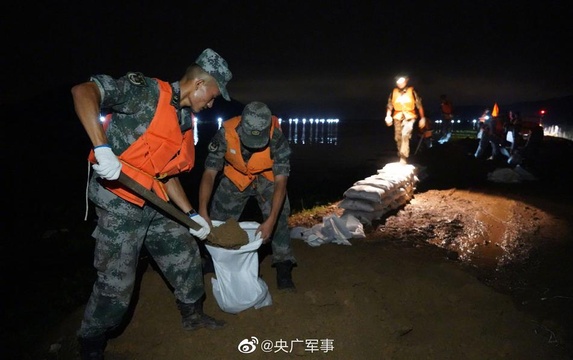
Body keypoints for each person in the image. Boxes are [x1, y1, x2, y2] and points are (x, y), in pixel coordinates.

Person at [71, 48, 232, 360]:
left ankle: (193, 316)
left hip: (154, 200)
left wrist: (190, 215)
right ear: (198, 84)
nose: (212, 104)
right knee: (116, 286)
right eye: (212, 96)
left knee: (185, 255)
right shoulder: (143, 92)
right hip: (118, 203)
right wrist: (101, 148)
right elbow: (83, 91)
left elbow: (167, 174)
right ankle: (91, 343)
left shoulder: (185, 120)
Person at [198, 101, 297, 292]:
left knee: (280, 217)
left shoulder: (277, 138)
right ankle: (212, 259)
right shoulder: (224, 133)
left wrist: (271, 220)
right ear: (241, 125)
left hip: (267, 178)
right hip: (237, 176)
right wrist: (202, 210)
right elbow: (210, 173)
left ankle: (284, 266)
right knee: (217, 218)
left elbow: (281, 182)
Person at [385, 76, 426, 164]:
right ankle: (401, 155)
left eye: (402, 81)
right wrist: (388, 116)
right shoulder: (394, 92)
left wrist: (422, 118)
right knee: (398, 137)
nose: (400, 83)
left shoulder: (412, 91)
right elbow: (389, 105)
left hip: (409, 116)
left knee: (405, 134)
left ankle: (403, 157)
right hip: (397, 116)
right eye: (398, 81)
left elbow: (419, 105)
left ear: (406, 81)